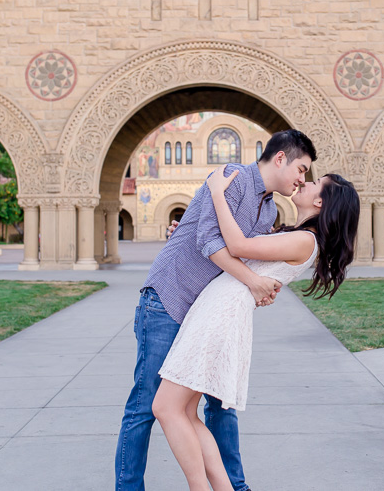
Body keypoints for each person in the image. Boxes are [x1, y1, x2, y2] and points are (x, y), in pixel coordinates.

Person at [115, 130, 317, 491]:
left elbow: (242, 251)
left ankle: (235, 486)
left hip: (205, 312)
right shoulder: (231, 178)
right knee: (146, 405)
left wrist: (256, 280)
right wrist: (253, 282)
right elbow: (209, 241)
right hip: (168, 299)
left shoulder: (269, 208)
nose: (303, 179)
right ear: (281, 158)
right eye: (301, 169)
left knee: (219, 406)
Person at [152, 167, 360, 491]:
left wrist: (216, 192)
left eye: (316, 182)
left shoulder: (305, 240)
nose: (305, 182)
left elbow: (236, 245)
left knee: (165, 407)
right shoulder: (298, 236)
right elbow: (239, 247)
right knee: (185, 412)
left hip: (220, 314)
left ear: (322, 202)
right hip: (219, 310)